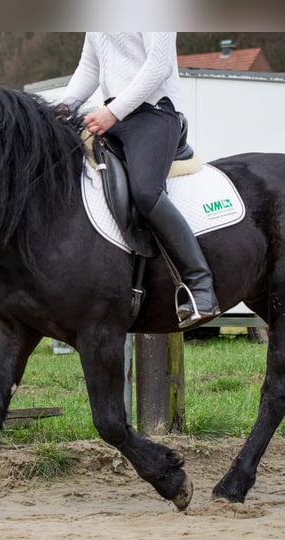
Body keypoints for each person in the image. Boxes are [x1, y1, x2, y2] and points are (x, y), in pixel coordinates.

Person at [59, 32, 220, 327]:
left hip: (154, 113)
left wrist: (113, 112)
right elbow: (89, 69)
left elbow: (158, 66)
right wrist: (64, 108)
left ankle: (200, 284)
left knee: (146, 192)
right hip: (111, 116)